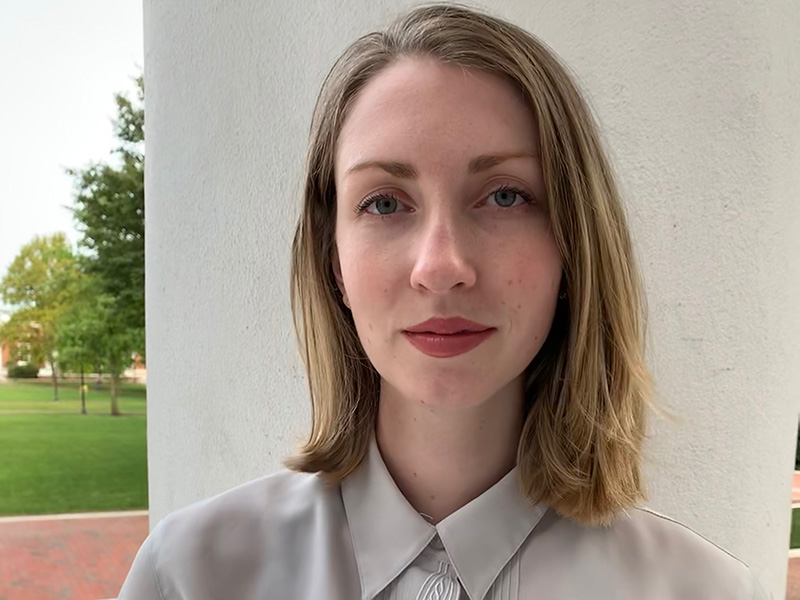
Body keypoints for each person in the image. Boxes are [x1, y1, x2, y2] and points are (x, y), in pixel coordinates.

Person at [118, 4, 769, 599]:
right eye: (384, 203)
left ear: (573, 245)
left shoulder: (707, 592)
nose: (440, 267)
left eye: (505, 196)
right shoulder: (191, 577)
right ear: (333, 261)